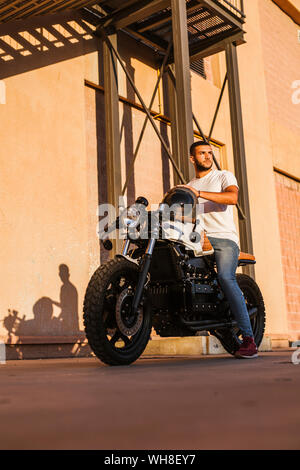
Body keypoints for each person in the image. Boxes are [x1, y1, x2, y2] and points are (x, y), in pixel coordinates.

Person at [177, 140, 258, 359]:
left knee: (225, 277)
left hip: (223, 239)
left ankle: (249, 340)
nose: (207, 156)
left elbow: (232, 197)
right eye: (202, 153)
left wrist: (198, 193)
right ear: (192, 158)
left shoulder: (223, 176)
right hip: (199, 239)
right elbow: (192, 216)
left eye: (210, 153)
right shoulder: (189, 185)